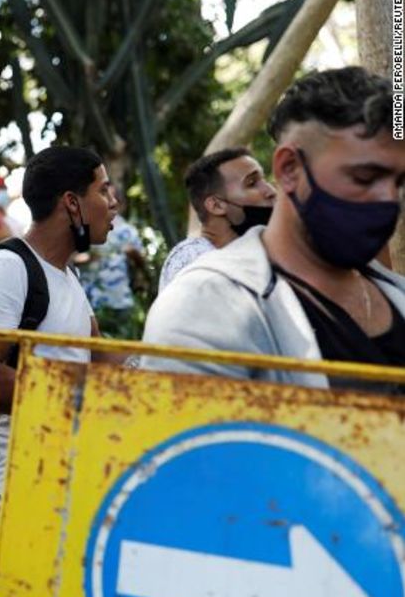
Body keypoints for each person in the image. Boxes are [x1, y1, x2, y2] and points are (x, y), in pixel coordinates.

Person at [143, 67, 405, 393]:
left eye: (398, 183)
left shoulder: (395, 294)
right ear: (289, 169)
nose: (389, 200)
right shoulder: (205, 305)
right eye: (364, 177)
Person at [0, 146, 119, 508]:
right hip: (24, 482)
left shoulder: (67, 275)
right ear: (72, 203)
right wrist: (78, 390)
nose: (113, 202)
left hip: (68, 470)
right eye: (103, 190)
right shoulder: (8, 267)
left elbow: (99, 355)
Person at [158, 147, 277, 292]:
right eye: (252, 183)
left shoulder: (252, 252)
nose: (271, 191)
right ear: (216, 205)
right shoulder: (193, 260)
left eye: (264, 180)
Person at [76, 211, 147, 340]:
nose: (111, 201)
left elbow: (141, 262)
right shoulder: (84, 227)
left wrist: (133, 253)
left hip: (120, 299)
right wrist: (89, 257)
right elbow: (71, 258)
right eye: (104, 193)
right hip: (91, 301)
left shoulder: (126, 230)